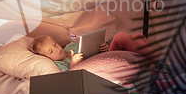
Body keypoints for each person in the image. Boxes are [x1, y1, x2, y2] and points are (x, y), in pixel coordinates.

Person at [30, 32, 159, 72]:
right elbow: (70, 79)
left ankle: (153, 64)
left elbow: (90, 49)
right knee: (127, 38)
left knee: (135, 36)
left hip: (103, 57)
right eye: (51, 51)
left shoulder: (71, 45)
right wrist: (74, 64)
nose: (57, 49)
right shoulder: (59, 65)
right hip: (98, 69)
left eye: (55, 44)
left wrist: (103, 49)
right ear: (47, 57)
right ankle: (156, 63)